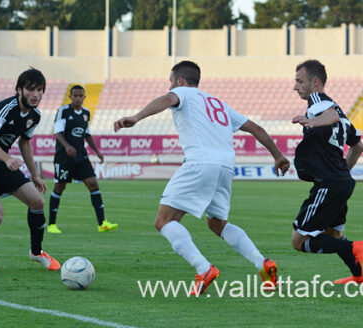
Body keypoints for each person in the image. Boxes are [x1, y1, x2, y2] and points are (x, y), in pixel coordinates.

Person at [114, 61, 290, 294]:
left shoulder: (181, 92)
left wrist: (136, 117)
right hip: (226, 166)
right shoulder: (218, 102)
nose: (170, 87)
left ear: (179, 80)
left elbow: (167, 100)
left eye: (170, 82)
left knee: (164, 221)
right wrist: (277, 156)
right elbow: (256, 128)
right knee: (217, 223)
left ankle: (203, 267)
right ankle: (262, 263)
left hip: (200, 162)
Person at [291, 59, 363, 284]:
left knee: (299, 241)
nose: (295, 87)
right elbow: (358, 145)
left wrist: (310, 123)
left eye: (299, 81)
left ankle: (356, 248)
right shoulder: (342, 113)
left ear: (315, 82)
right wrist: (343, 172)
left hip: (330, 183)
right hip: (342, 182)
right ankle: (359, 274)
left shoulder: (318, 102)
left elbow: (329, 115)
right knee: (333, 235)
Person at [0, 68, 61, 273]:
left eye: (39, 90)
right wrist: (7, 158)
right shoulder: (5, 109)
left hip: (1, 164)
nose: (35, 94)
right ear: (19, 90)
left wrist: (35, 174)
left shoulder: (34, 116)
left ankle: (36, 252)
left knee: (37, 201)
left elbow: (25, 143)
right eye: (30, 89)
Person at [48, 85, 118, 233]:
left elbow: (87, 134)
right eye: (75, 96)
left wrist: (97, 152)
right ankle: (52, 225)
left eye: (81, 96)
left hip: (81, 155)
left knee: (93, 184)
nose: (78, 99)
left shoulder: (86, 113)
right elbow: (57, 132)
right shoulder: (63, 111)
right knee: (59, 187)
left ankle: (102, 223)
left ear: (84, 97)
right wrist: (67, 147)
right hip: (64, 157)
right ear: (70, 96)